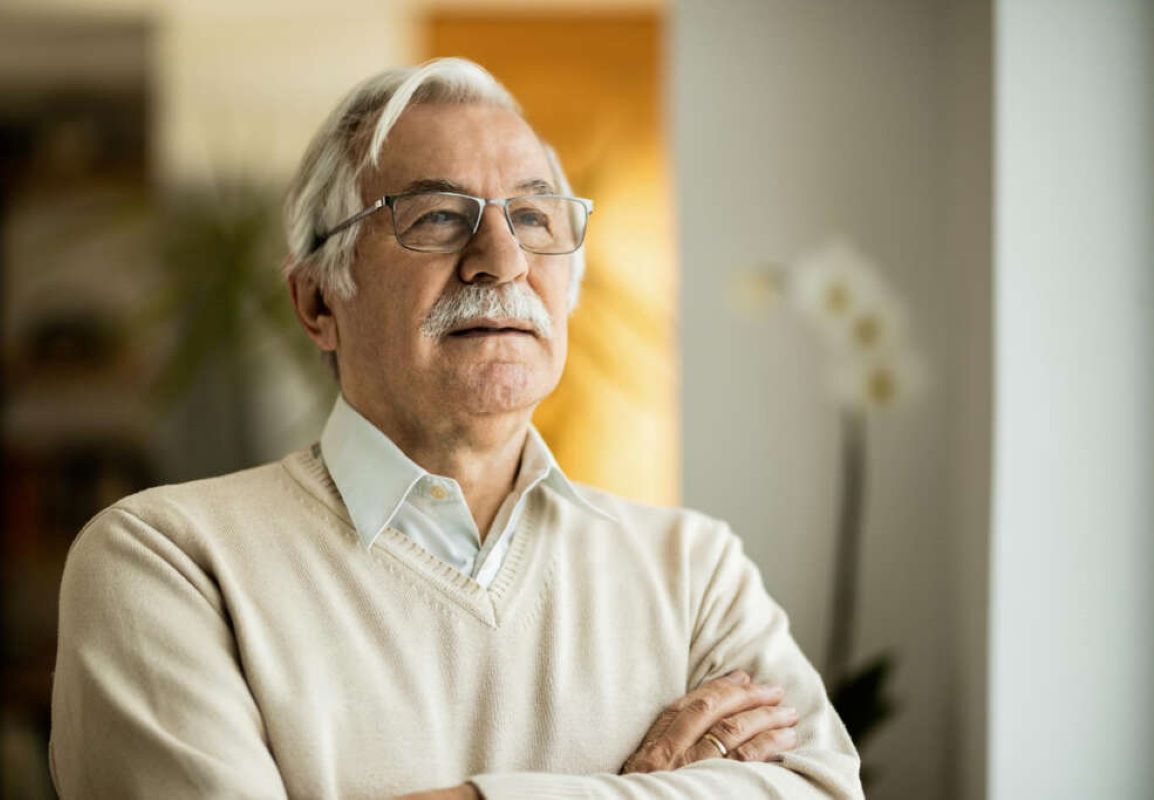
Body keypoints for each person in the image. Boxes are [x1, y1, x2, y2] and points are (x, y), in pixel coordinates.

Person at [49, 58, 863, 799]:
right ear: (318, 302)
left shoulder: (694, 572)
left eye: (535, 218)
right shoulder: (167, 562)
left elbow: (826, 791)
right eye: (438, 216)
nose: (502, 260)